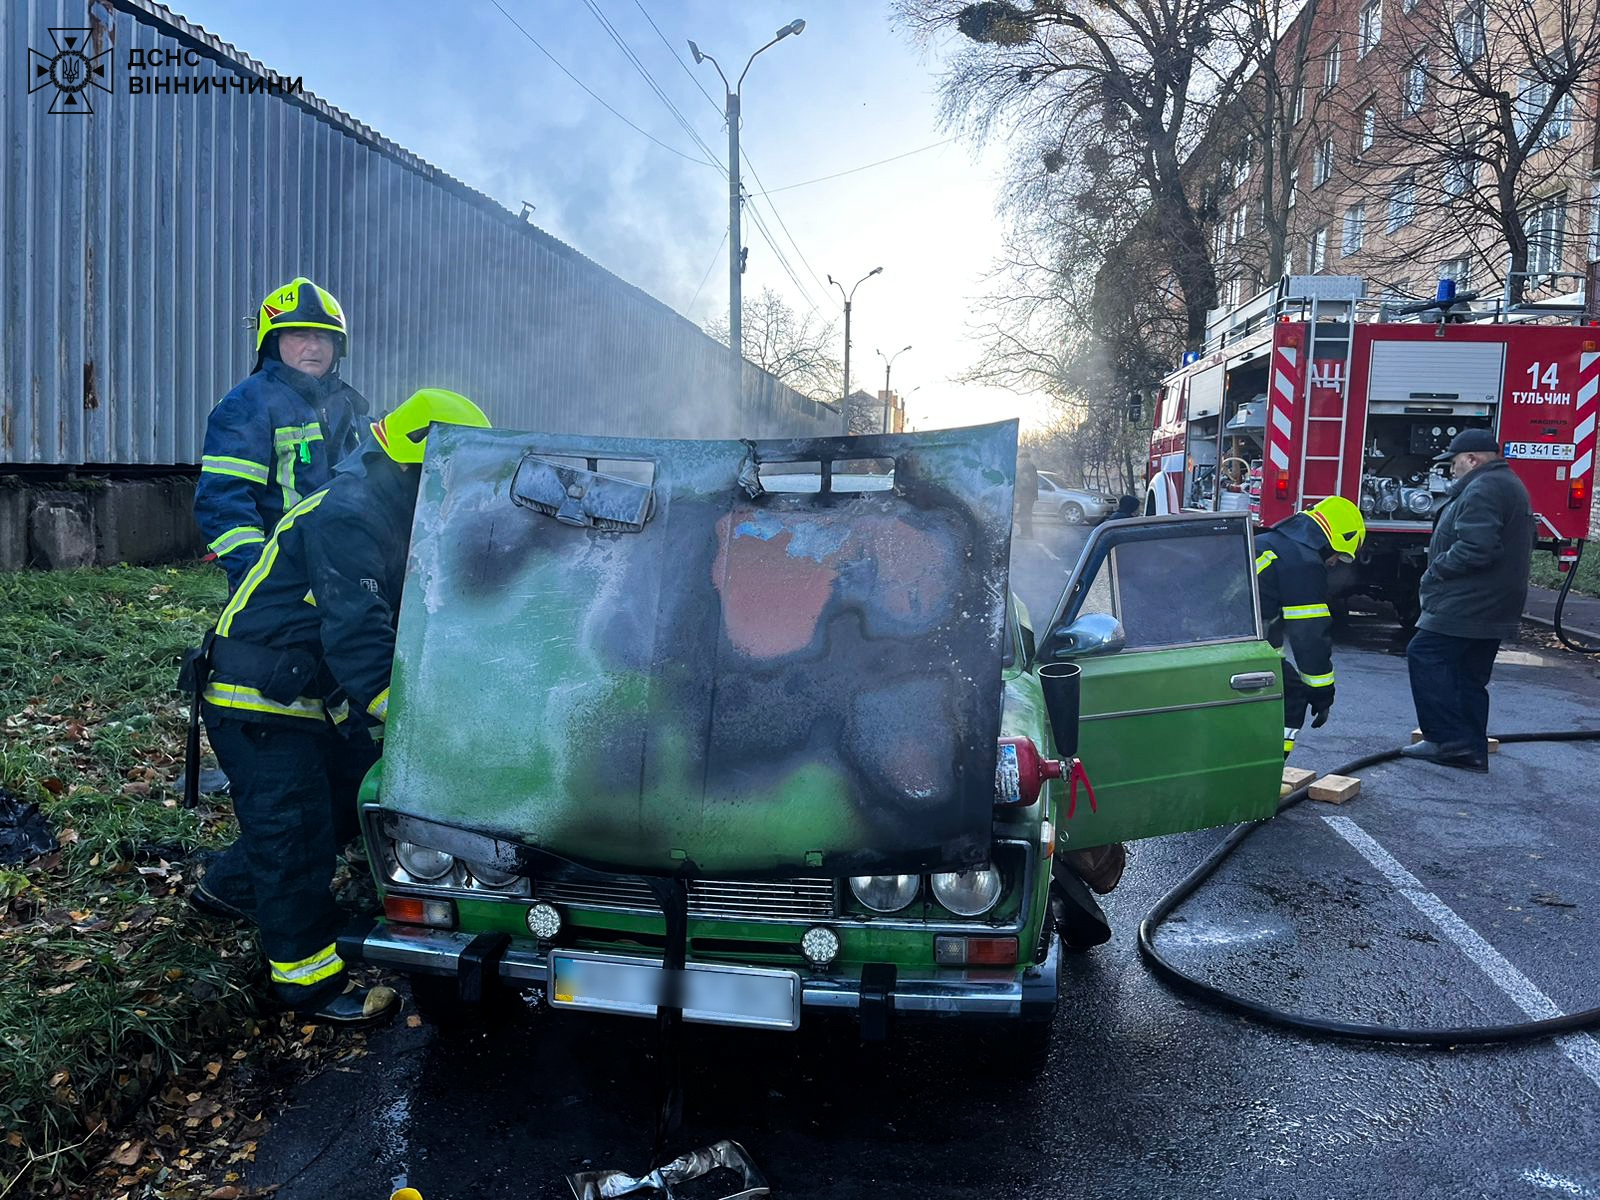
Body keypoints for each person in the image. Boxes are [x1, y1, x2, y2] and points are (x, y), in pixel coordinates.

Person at [185, 389, 492, 1026]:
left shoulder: (389, 509)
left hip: (300, 695)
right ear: (417, 463)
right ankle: (309, 986)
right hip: (258, 701)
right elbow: (359, 637)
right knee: (294, 838)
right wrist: (414, 730)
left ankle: (228, 889)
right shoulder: (350, 513)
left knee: (346, 799)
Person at [195, 277, 370, 592]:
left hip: (343, 571)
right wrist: (257, 575)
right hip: (280, 577)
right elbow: (222, 500)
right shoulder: (247, 405)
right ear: (273, 341)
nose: (313, 346)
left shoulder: (347, 405)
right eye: (299, 334)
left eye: (323, 336)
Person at [1402, 429, 1532, 773]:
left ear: (1472, 459)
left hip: (1470, 601)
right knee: (1467, 673)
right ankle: (1470, 747)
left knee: (1426, 653)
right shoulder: (1505, 483)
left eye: (1455, 462)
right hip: (1494, 601)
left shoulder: (1484, 487)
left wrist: (1435, 571)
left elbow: (1477, 547)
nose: (1452, 470)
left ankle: (1447, 740)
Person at [1254, 495, 1367, 758]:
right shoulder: (1302, 564)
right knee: (1290, 695)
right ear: (1337, 539)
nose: (1335, 562)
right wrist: (1321, 691)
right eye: (1339, 556)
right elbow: (1309, 635)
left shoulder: (1269, 543)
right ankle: (1269, 769)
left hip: (1206, 635)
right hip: (1228, 644)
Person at [1015, 454, 1040, 539]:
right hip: (1028, 495)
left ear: (1026, 459)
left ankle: (1026, 534)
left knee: (1025, 515)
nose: (1020, 460)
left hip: (1027, 495)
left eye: (1022, 459)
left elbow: (1027, 482)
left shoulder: (1028, 468)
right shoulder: (1029, 467)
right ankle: (1026, 533)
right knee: (1025, 514)